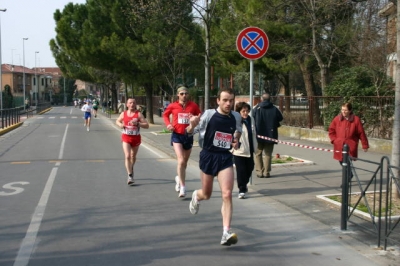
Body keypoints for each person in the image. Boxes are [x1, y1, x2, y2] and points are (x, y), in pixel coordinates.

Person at [186, 88, 242, 246]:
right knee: (207, 194)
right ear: (218, 100)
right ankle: (197, 196)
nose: (228, 103)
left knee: (227, 194)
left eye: (231, 100)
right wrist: (191, 125)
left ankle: (226, 232)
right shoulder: (209, 115)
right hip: (208, 156)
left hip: (225, 157)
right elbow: (190, 132)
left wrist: (236, 140)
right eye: (225, 100)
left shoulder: (236, 116)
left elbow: (237, 131)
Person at [163, 85, 201, 198]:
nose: (184, 95)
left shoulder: (193, 105)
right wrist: (168, 124)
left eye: (186, 94)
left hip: (188, 135)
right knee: (180, 160)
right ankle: (183, 187)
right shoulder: (173, 106)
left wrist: (194, 118)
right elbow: (165, 115)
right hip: (177, 135)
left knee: (184, 162)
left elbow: (200, 115)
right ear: (178, 95)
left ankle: (179, 179)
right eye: (182, 94)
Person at [328, 102, 369, 178]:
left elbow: (361, 133)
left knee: (347, 161)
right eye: (342, 110)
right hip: (339, 144)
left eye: (345, 110)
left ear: (350, 110)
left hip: (350, 144)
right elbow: (331, 130)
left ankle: (346, 180)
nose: (343, 112)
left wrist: (365, 145)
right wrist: (334, 140)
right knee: (341, 160)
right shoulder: (337, 119)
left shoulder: (356, 120)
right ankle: (349, 174)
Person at [116, 97, 149, 185]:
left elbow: (147, 125)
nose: (132, 104)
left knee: (133, 156)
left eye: (133, 103)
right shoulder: (124, 114)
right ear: (127, 104)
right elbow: (117, 121)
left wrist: (138, 123)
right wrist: (120, 124)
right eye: (130, 103)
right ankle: (130, 175)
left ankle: (131, 168)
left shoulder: (139, 114)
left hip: (136, 138)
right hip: (126, 137)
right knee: (127, 156)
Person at [252, 93, 283, 178]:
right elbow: (280, 118)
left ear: (262, 99)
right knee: (268, 154)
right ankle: (266, 172)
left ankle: (259, 172)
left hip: (258, 134)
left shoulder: (257, 108)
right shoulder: (274, 108)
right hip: (271, 134)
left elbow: (252, 118)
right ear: (270, 99)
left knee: (258, 154)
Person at [232, 102, 257, 199]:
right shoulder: (236, 121)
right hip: (239, 150)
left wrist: (256, 145)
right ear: (239, 112)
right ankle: (241, 190)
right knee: (241, 170)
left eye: (247, 111)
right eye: (243, 111)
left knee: (250, 167)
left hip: (250, 149)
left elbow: (254, 133)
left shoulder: (251, 120)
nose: (246, 113)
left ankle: (244, 184)